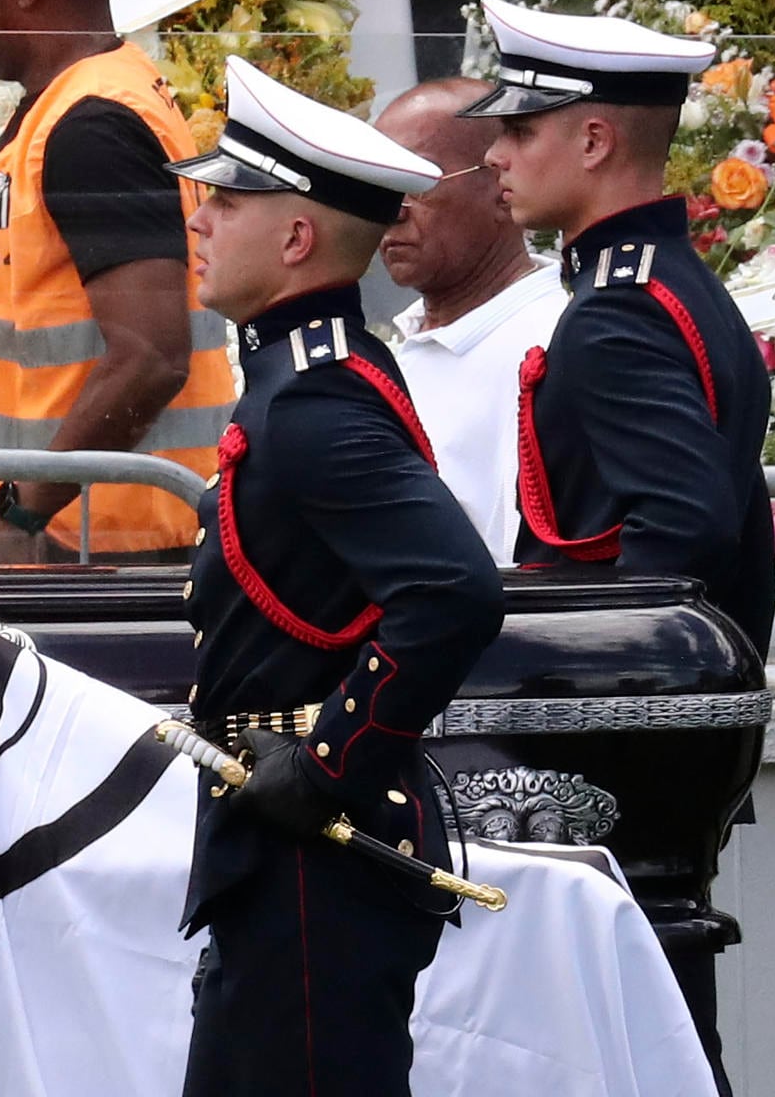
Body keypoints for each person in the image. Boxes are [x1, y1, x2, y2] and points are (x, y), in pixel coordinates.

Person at [171, 55, 505, 1096]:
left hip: (315, 846)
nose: (201, 218)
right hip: (286, 840)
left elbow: (452, 590)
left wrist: (327, 762)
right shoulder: (303, 374)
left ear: (298, 236)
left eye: (225, 199)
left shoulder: (312, 402)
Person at [466, 0, 772, 1095]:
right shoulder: (658, 287)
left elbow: (673, 544)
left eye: (517, 133)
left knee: (631, 1037)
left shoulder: (619, 314)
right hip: (633, 746)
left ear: (594, 140)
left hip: (610, 747)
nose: (494, 155)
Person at [0, 0, 237, 563]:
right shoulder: (86, 102)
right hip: (89, 531)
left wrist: (25, 508)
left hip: (95, 542)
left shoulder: (90, 125)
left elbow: (151, 354)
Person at [375, 77, 567, 562]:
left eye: (416, 183)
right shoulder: (412, 338)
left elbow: (525, 578)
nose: (390, 212)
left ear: (501, 185)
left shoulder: (545, 346)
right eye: (376, 185)